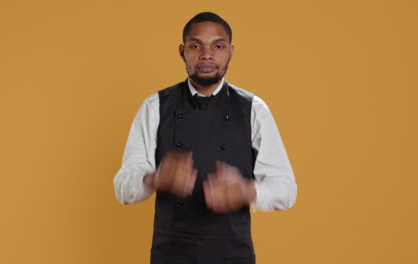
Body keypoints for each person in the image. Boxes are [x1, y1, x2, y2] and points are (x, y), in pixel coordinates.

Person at [114, 12, 297, 264]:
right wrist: (155, 178)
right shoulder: (154, 106)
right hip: (171, 253)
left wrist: (246, 190)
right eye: (196, 45)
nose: (207, 54)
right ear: (182, 51)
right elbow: (123, 188)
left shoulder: (254, 109)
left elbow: (286, 190)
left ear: (231, 51)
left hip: (233, 253)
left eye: (218, 46)